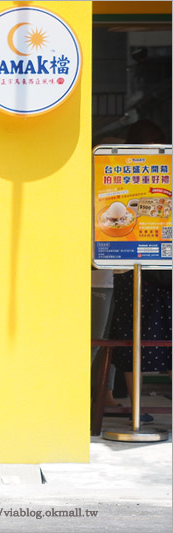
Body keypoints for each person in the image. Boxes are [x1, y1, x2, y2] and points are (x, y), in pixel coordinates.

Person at [108, 119, 172, 421]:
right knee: (131, 339)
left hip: (161, 267)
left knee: (162, 338)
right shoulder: (117, 175)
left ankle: (138, 408)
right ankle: (136, 408)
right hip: (132, 268)